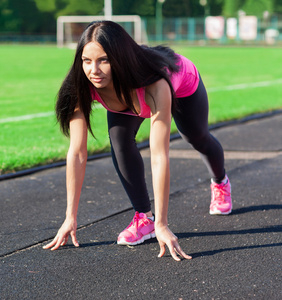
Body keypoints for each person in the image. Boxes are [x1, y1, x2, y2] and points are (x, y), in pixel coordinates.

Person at [43, 21, 232, 261]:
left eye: (104, 60)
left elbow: (159, 154)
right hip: (124, 94)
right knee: (120, 142)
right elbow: (77, 152)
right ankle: (144, 218)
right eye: (86, 61)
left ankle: (220, 182)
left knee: (195, 137)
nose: (94, 70)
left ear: (119, 58)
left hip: (179, 80)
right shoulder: (81, 85)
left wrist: (163, 224)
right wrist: (70, 217)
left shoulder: (156, 84)